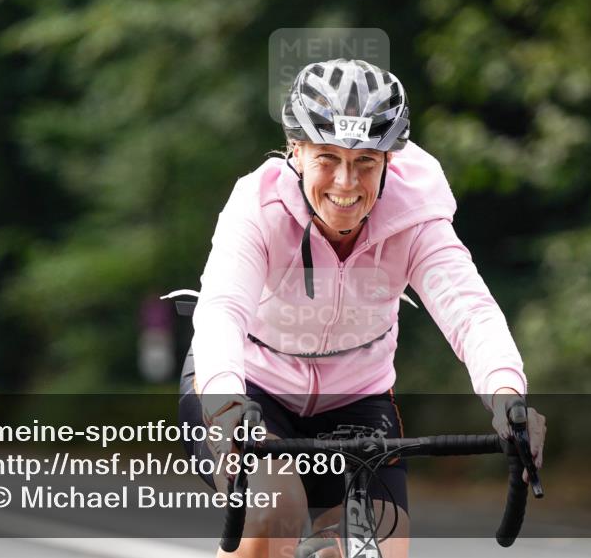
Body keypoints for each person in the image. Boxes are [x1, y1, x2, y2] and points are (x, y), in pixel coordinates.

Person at [178, 58, 546, 558]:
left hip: (356, 399)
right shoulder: (257, 206)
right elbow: (221, 312)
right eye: (328, 157)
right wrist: (223, 404)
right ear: (296, 150)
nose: (347, 184)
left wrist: (507, 395)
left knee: (381, 548)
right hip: (250, 387)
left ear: (390, 161)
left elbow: (470, 312)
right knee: (275, 513)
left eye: (366, 162)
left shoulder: (415, 217)